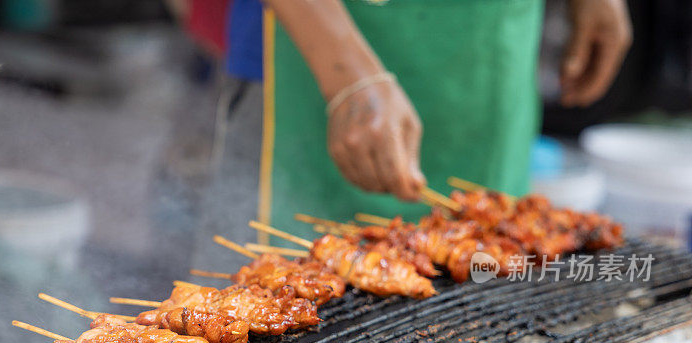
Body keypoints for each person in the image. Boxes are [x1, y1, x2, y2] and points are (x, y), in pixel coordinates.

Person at [191, 0, 632, 270]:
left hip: (485, 44)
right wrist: (347, 76)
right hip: (309, 47)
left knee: (488, 265)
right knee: (256, 332)